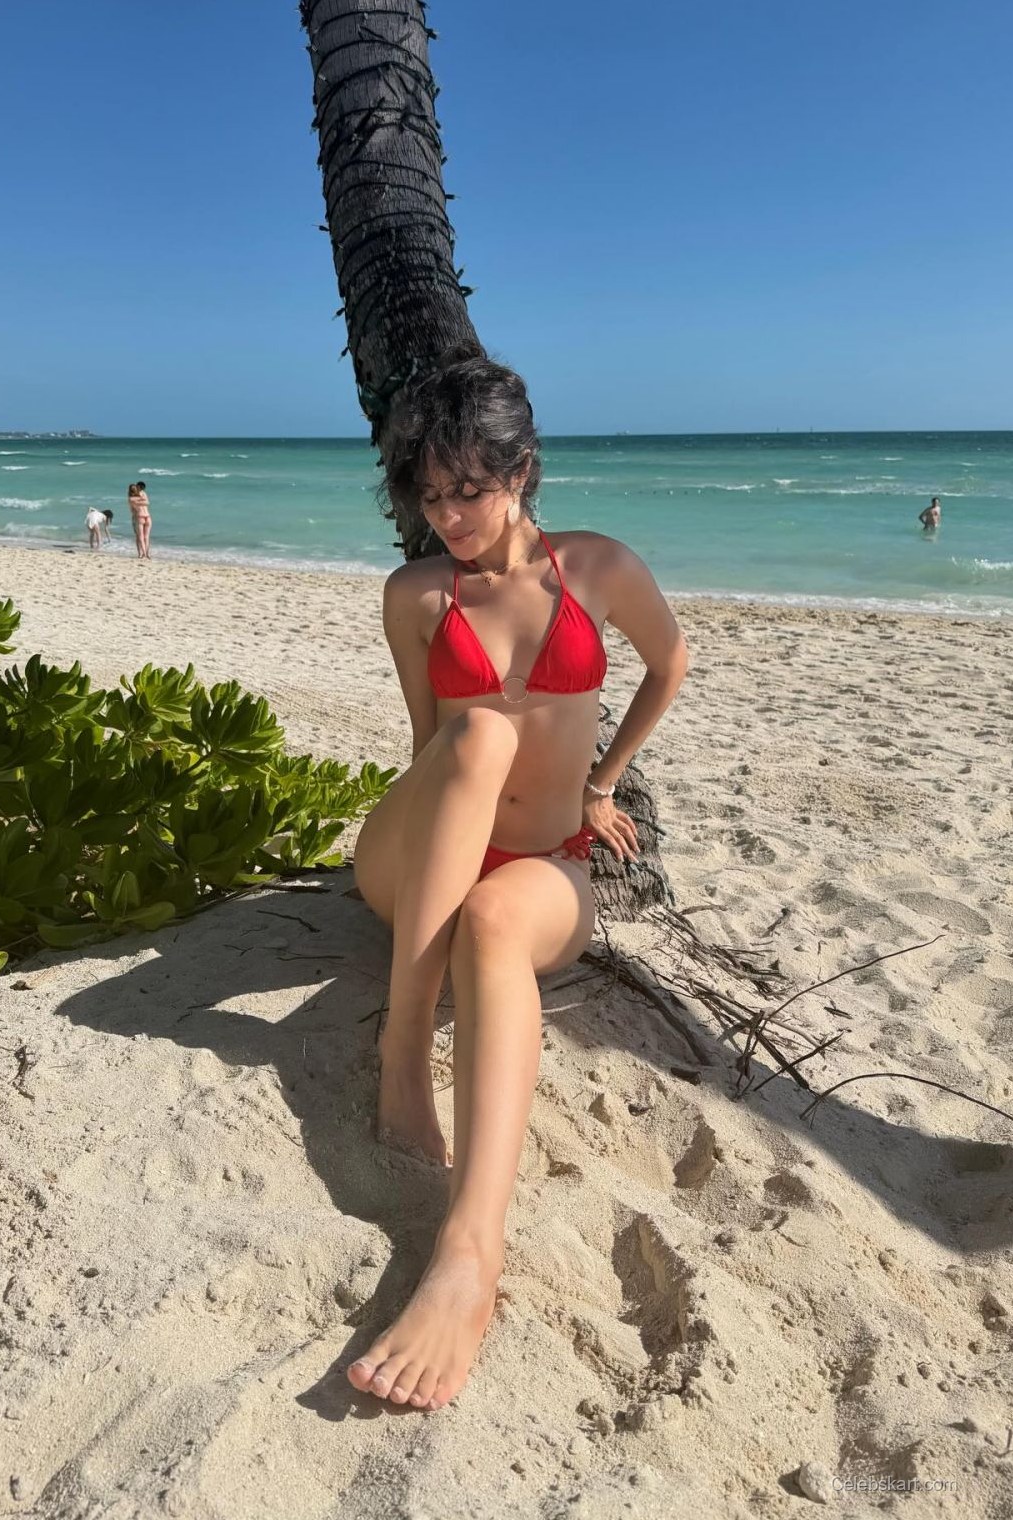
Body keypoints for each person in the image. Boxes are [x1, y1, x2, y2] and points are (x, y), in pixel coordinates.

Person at [345, 351, 689, 1413]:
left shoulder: (599, 568)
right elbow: (428, 746)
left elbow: (669, 662)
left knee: (497, 918)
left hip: (544, 867)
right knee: (477, 738)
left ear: (522, 469)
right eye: (429, 494)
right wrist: (469, 772)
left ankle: (469, 1253)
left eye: (469, 489)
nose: (448, 516)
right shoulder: (416, 595)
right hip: (416, 858)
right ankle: (405, 1051)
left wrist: (601, 783)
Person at [128, 481, 152, 559]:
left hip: (139, 517)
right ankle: (146, 554)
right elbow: (147, 502)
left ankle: (143, 553)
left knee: (140, 537)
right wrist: (142, 499)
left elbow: (132, 506)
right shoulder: (143, 494)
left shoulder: (131, 499)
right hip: (147, 516)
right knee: (146, 537)